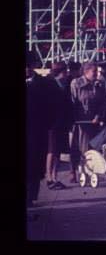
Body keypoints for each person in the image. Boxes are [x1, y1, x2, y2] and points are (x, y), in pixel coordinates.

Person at [26, 50, 59, 207]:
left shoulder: (45, 83)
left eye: (29, 65)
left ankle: (31, 196)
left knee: (34, 164)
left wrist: (49, 124)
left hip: (37, 130)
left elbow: (54, 105)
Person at [70, 62, 106, 181]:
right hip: (80, 121)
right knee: (77, 147)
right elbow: (73, 101)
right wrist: (74, 118)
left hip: (94, 121)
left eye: (97, 72)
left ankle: (90, 169)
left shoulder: (100, 84)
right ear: (86, 72)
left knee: (92, 147)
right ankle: (73, 171)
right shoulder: (76, 83)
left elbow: (103, 103)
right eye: (94, 72)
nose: (97, 74)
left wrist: (98, 116)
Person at [46, 61, 73, 191]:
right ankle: (49, 177)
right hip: (51, 123)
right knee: (51, 150)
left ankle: (55, 177)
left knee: (57, 151)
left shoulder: (65, 84)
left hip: (62, 122)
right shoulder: (49, 84)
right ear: (60, 72)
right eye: (65, 71)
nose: (67, 73)